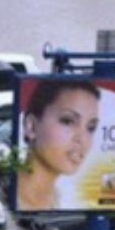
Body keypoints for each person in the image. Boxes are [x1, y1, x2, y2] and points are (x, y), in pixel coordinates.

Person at [15, 78, 101, 212]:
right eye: (68, 121)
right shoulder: (0, 199)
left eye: (91, 128)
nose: (82, 139)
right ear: (31, 126)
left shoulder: (61, 200)